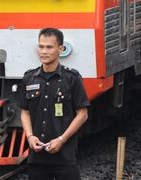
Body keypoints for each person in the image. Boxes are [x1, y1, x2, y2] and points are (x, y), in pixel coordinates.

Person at [20, 28, 89, 180]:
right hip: (37, 158)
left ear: (61, 49)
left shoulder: (72, 78)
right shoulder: (29, 78)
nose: (43, 51)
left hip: (65, 157)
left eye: (49, 47)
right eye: (41, 46)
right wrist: (30, 137)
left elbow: (82, 114)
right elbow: (25, 111)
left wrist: (61, 139)